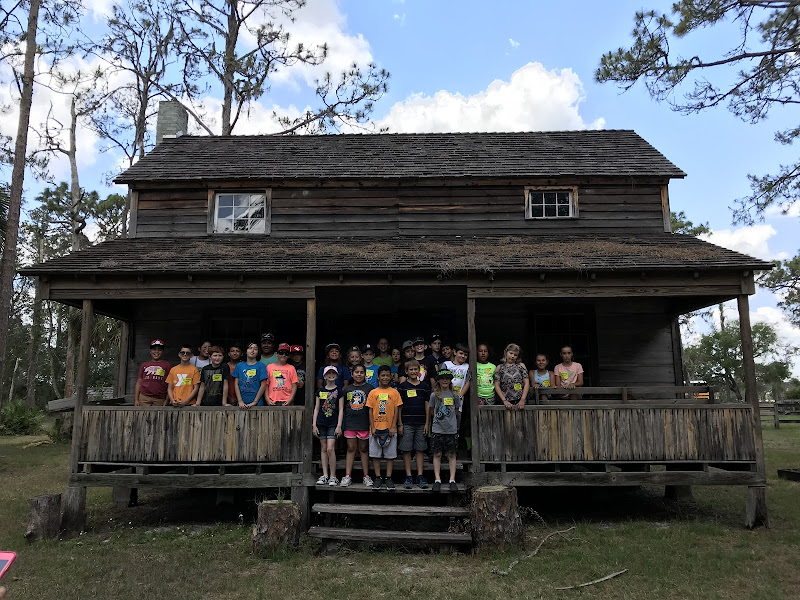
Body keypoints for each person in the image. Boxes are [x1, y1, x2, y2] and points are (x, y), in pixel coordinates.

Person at [366, 365, 402, 490]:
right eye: (383, 375)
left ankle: (388, 477)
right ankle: (377, 477)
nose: (385, 378)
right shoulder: (373, 392)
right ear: (378, 377)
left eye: (387, 375)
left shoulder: (394, 392)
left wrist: (394, 426)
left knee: (390, 455)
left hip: (390, 428)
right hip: (376, 428)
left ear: (391, 377)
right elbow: (370, 410)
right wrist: (372, 426)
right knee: (375, 455)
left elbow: (397, 410)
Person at [398, 359, 430, 489]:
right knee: (406, 450)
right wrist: (400, 424)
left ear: (419, 371)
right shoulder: (403, 386)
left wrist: (427, 423)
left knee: (420, 449)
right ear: (406, 371)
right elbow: (399, 406)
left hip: (421, 422)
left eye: (415, 369)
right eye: (410, 369)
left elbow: (427, 405)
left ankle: (420, 476)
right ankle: (409, 476)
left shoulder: (425, 386)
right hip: (406, 423)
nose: (413, 371)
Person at [341, 364, 374, 487]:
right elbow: (343, 406)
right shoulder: (347, 389)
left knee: (364, 449)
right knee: (350, 448)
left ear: (365, 374)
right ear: (352, 374)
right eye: (356, 372)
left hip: (364, 423)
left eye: (361, 372)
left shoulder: (370, 388)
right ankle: (347, 476)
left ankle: (366, 476)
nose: (359, 374)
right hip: (350, 423)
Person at [428, 367, 460, 492]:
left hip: (451, 429)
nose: (445, 381)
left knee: (451, 454)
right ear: (439, 380)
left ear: (450, 380)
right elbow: (431, 411)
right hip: (437, 429)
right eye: (442, 379)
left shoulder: (455, 395)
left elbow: (456, 412)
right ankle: (437, 479)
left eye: (447, 378)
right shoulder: (434, 395)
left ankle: (452, 479)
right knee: (437, 454)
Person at [313, 366, 343, 486]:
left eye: (333, 373)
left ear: (336, 375)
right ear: (324, 376)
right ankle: (325, 474)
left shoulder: (339, 391)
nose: (331, 375)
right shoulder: (320, 391)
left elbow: (341, 410)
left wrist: (339, 425)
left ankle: (333, 476)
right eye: (328, 373)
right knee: (324, 449)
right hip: (321, 422)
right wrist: (313, 424)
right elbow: (316, 408)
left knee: (331, 448)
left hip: (333, 423)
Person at [134, 339, 172, 406]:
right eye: (154, 349)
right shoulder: (144, 365)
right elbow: (139, 382)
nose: (156, 352)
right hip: (144, 397)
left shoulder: (167, 365)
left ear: (163, 352)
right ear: (150, 351)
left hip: (160, 398)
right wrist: (136, 399)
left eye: (159, 350)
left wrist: (167, 400)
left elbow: (170, 384)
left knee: (159, 416)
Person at [494, 343, 530, 410]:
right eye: (511, 353)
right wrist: (504, 401)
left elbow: (527, 383)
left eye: (515, 355)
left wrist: (522, 400)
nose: (512, 356)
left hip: (520, 399)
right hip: (506, 400)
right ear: (506, 353)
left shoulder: (521, 366)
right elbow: (497, 385)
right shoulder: (499, 368)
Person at [233, 342, 268, 408]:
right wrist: (240, 401)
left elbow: (263, 385)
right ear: (246, 351)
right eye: (250, 348)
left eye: (255, 349)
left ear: (258, 352)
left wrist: (255, 402)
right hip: (241, 403)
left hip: (257, 403)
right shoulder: (239, 366)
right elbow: (236, 384)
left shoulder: (261, 366)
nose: (252, 350)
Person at [443, 343, 471, 410]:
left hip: (459, 397)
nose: (463, 356)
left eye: (465, 355)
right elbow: (441, 380)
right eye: (461, 353)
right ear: (455, 352)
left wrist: (460, 395)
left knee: (457, 417)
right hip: (446, 395)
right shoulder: (446, 365)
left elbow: (468, 381)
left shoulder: (467, 367)